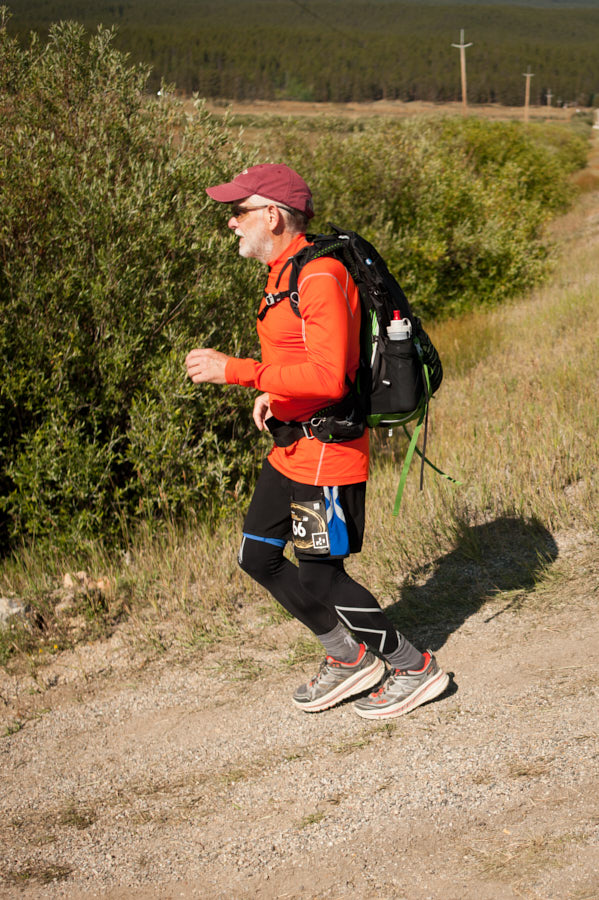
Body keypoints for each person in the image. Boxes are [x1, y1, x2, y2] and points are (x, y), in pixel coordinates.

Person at [186, 163, 449, 719]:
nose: (231, 224)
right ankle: (348, 657)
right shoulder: (283, 271)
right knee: (258, 556)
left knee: (318, 572)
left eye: (238, 212)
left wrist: (240, 372)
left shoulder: (320, 276)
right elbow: (297, 357)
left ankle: (413, 667)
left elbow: (331, 378)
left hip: (329, 449)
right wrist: (272, 393)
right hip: (291, 441)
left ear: (273, 215)